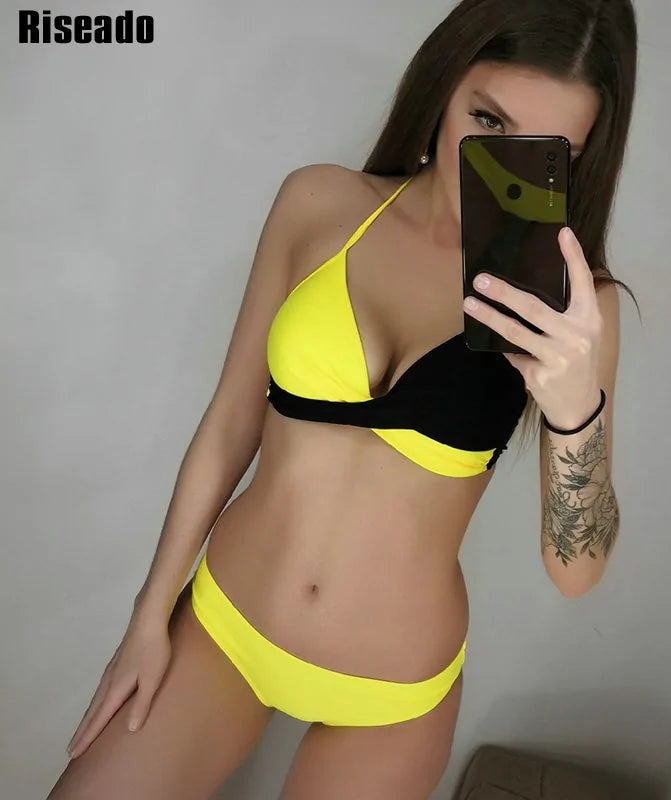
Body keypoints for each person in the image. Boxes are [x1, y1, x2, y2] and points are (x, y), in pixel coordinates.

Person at [48, 0, 638, 797]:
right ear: (444, 85)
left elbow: (577, 573)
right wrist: (149, 614)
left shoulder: (575, 309)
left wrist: (574, 412)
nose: (495, 163)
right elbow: (231, 420)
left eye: (542, 149)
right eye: (487, 119)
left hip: (390, 696)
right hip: (226, 626)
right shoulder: (320, 204)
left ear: (577, 159)